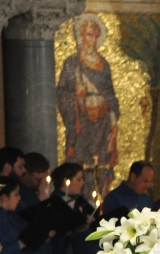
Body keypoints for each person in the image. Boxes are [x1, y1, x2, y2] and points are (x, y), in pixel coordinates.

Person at [57, 13, 120, 167]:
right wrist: (75, 95)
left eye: (95, 36)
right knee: (81, 162)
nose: (92, 40)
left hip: (103, 121)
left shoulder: (104, 65)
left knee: (101, 164)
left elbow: (110, 95)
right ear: (82, 36)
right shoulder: (72, 63)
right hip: (81, 120)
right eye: (89, 35)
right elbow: (61, 93)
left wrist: (113, 121)